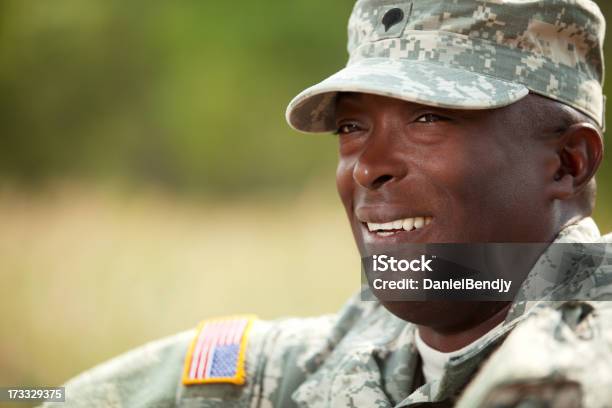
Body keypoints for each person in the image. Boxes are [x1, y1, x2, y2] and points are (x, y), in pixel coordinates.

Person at [44, 0, 612, 406]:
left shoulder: (583, 367)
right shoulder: (332, 356)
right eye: (351, 125)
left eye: (429, 117)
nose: (368, 166)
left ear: (568, 162)